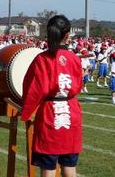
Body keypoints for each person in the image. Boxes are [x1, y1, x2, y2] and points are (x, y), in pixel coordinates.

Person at [21, 15, 82, 177]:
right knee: (69, 166)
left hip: (49, 113)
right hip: (71, 111)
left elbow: (33, 89)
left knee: (48, 167)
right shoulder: (74, 58)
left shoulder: (42, 59)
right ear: (67, 35)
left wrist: (26, 112)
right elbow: (78, 86)